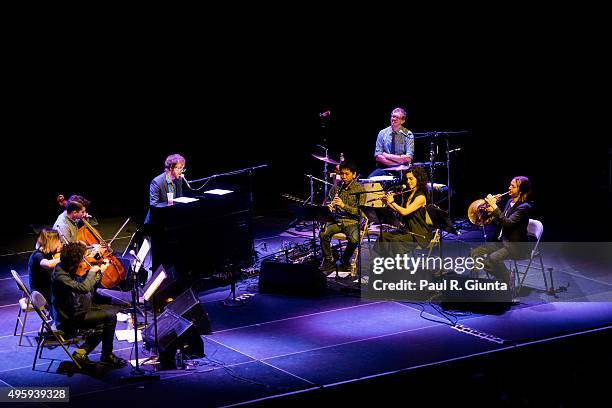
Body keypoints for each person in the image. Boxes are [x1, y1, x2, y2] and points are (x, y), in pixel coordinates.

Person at [51, 242, 126, 368]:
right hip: (69, 318)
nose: (84, 261)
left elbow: (86, 284)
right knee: (111, 317)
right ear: (75, 261)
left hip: (77, 308)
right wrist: (93, 272)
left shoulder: (65, 267)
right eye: (82, 258)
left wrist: (100, 272)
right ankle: (107, 356)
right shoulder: (60, 275)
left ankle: (81, 352)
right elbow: (83, 288)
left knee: (106, 318)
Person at [470, 176, 532, 286]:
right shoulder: (509, 202)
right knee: (475, 253)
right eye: (510, 185)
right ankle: (503, 278)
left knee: (493, 258)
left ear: (520, 190)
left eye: (513, 186)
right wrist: (490, 212)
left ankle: (506, 280)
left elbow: (508, 224)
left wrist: (494, 207)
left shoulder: (524, 207)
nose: (509, 188)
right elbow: (501, 222)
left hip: (516, 246)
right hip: (503, 242)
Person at [319, 160, 365, 273]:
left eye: (347, 174)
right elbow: (327, 201)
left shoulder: (360, 189)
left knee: (354, 240)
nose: (343, 177)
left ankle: (344, 261)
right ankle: (329, 261)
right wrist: (329, 206)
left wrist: (343, 205)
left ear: (354, 174)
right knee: (323, 233)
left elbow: (361, 212)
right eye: (342, 174)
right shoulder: (336, 187)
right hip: (337, 220)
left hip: (352, 222)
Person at [376, 165, 433, 248]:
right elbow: (400, 211)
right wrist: (388, 203)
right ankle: (383, 260)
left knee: (396, 242)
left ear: (419, 179)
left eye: (411, 179)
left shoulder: (421, 197)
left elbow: (405, 212)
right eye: (407, 179)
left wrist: (392, 201)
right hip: (407, 230)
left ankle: (397, 261)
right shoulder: (407, 194)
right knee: (383, 237)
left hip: (419, 234)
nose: (408, 182)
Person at [369, 107, 414, 178]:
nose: (394, 119)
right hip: (384, 168)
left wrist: (386, 155)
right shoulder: (382, 133)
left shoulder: (408, 134)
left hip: (402, 170)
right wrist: (397, 163)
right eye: (393, 116)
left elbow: (408, 158)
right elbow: (378, 156)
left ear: (402, 121)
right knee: (370, 179)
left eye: (397, 117)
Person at [28, 229, 63, 305]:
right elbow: (47, 264)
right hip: (42, 291)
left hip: (47, 286)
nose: (59, 243)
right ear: (51, 242)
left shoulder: (49, 253)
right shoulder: (37, 255)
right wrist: (65, 257)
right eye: (58, 240)